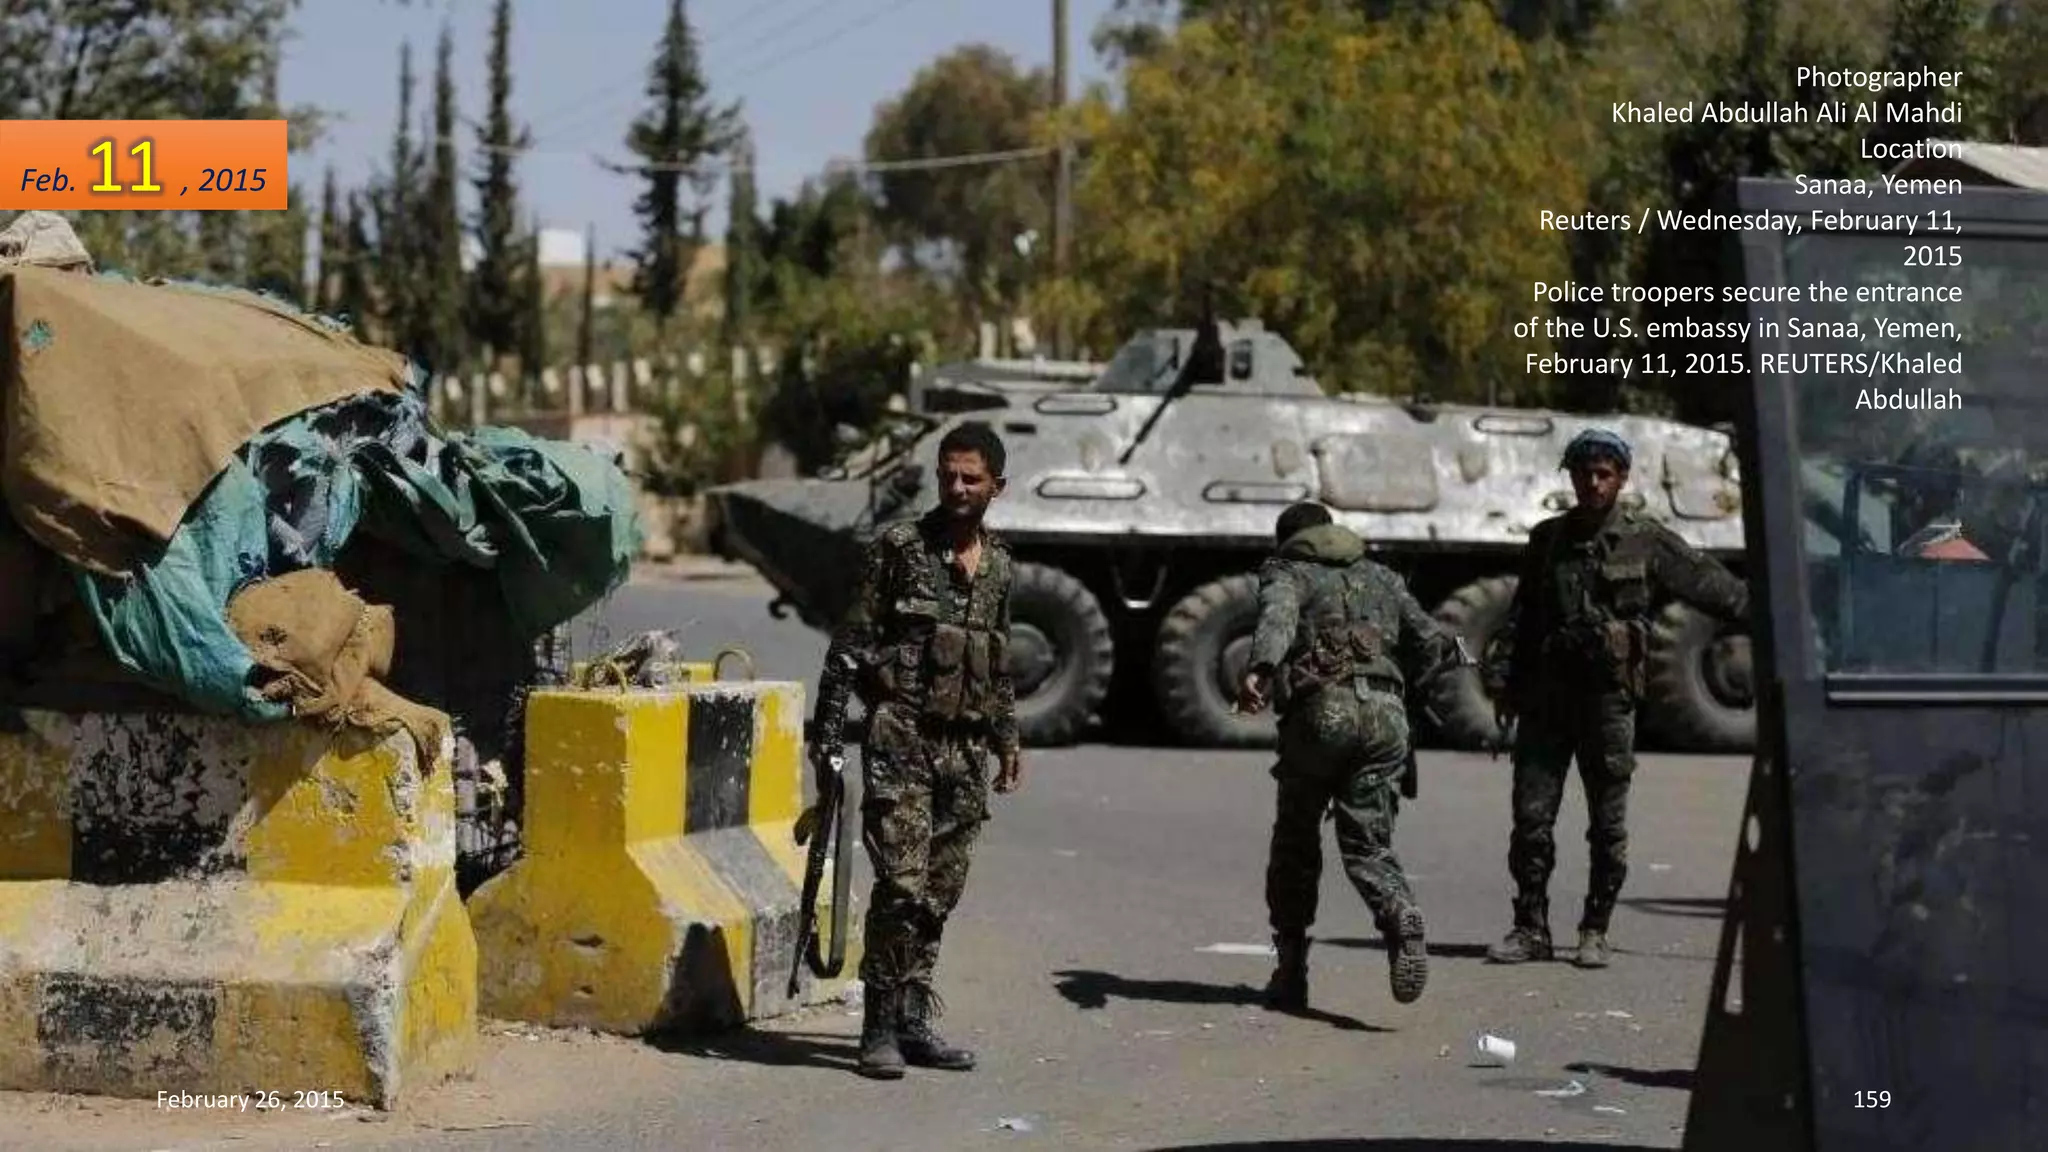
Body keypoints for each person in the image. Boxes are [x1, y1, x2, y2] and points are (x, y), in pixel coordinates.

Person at [1485, 428, 1750, 968]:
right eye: (1584, 473)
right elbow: (1522, 616)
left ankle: (1594, 929)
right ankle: (1530, 928)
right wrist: (1504, 682)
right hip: (1547, 700)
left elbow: (1712, 586)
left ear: (1622, 478)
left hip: (1607, 701)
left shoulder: (1645, 539)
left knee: (1607, 825)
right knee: (1531, 822)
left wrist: (1776, 616)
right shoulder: (1547, 540)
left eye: (1604, 473)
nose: (1593, 483)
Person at [807, 420, 1022, 1080]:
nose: (956, 487)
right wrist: (827, 739)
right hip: (901, 740)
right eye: (947, 475)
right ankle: (876, 1027)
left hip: (965, 753)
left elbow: (1000, 658)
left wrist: (1008, 740)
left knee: (938, 893)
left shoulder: (1002, 566)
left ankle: (912, 1019)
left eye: (971, 478)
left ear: (996, 486)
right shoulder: (900, 547)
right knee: (900, 886)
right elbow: (848, 645)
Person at [1235, 502, 1466, 1011]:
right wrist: (1408, 692)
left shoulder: (1287, 569)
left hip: (1322, 716)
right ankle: (1399, 909)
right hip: (1387, 718)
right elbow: (1432, 641)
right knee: (1367, 844)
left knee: (1296, 842)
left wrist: (1261, 669)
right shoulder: (1382, 575)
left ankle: (1291, 971)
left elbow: (1279, 616)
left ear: (1289, 540)